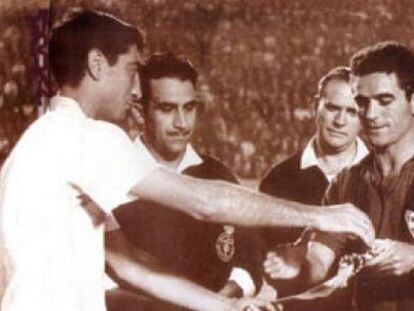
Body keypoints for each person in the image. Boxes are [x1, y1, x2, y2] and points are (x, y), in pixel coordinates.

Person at [0, 9, 374, 311]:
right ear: (97, 64)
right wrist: (321, 215)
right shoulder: (86, 135)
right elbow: (205, 203)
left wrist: (224, 307)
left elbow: (129, 265)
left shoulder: (43, 140)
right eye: (132, 70)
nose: (134, 90)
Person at [106, 52, 262, 309]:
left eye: (188, 108)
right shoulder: (112, 179)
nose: (181, 123)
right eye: (167, 109)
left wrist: (225, 297)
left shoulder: (218, 176)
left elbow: (249, 257)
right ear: (139, 112)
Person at [274, 41, 414, 311]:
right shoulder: (347, 182)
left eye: (385, 101)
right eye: (362, 102)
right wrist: (296, 263)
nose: (371, 114)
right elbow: (319, 264)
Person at [258, 67, 368, 308]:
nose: (340, 121)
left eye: (352, 111)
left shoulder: (382, 173)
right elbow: (268, 262)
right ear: (315, 106)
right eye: (332, 108)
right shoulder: (278, 180)